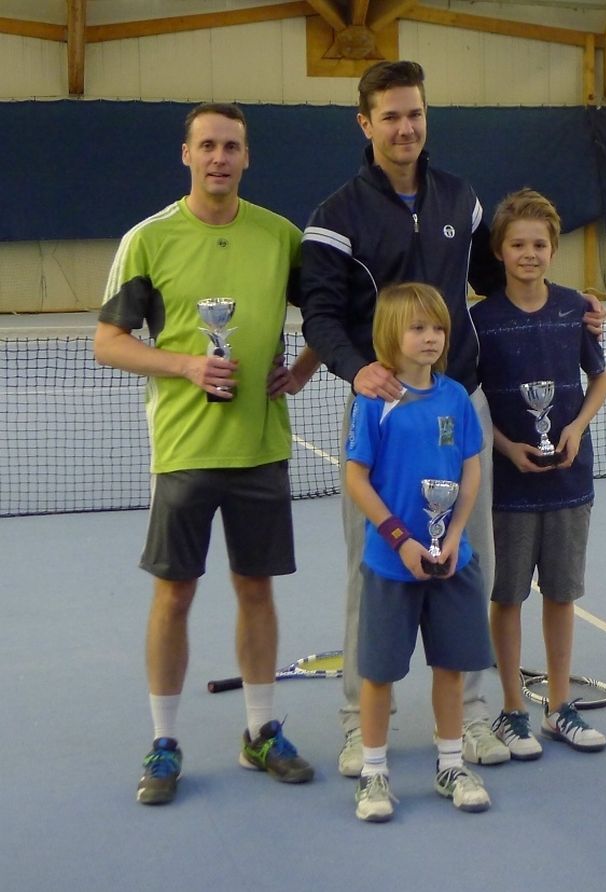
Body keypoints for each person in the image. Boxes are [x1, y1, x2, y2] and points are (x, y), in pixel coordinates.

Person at [300, 60, 605, 775]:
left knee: (468, 564)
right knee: (373, 569)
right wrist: (357, 369)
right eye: (391, 116)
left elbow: (499, 279)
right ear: (366, 124)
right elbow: (319, 315)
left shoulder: (461, 198)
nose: (405, 127)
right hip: (382, 408)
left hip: (460, 401)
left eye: (415, 113)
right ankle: (360, 728)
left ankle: (469, 718)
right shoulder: (336, 216)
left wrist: (571, 304)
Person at [93, 102, 318, 805]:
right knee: (175, 594)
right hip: (184, 451)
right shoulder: (149, 240)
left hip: (260, 447)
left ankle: (259, 732)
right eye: (208, 145)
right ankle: (164, 742)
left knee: (256, 590)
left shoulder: (280, 237)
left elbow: (332, 313)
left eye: (232, 147)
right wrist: (187, 365)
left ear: (247, 157)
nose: (220, 157)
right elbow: (108, 341)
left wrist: (302, 369)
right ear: (186, 154)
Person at [471, 188, 606, 758]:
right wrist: (505, 448)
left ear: (553, 249)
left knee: (560, 595)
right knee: (506, 597)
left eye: (539, 244)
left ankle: (558, 707)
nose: (529, 254)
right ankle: (511, 710)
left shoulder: (575, 308)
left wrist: (574, 429)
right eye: (517, 244)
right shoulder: (480, 321)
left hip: (569, 482)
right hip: (507, 487)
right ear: (499, 252)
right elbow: (471, 398)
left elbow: (599, 378)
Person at [346, 281, 493, 821]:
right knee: (379, 674)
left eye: (437, 328)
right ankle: (374, 772)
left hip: (452, 561)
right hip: (391, 564)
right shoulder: (374, 402)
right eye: (417, 328)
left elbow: (471, 470)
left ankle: (451, 764)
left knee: (450, 667)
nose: (430, 337)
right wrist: (401, 539)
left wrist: (452, 539)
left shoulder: (456, 397)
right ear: (391, 334)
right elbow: (357, 479)